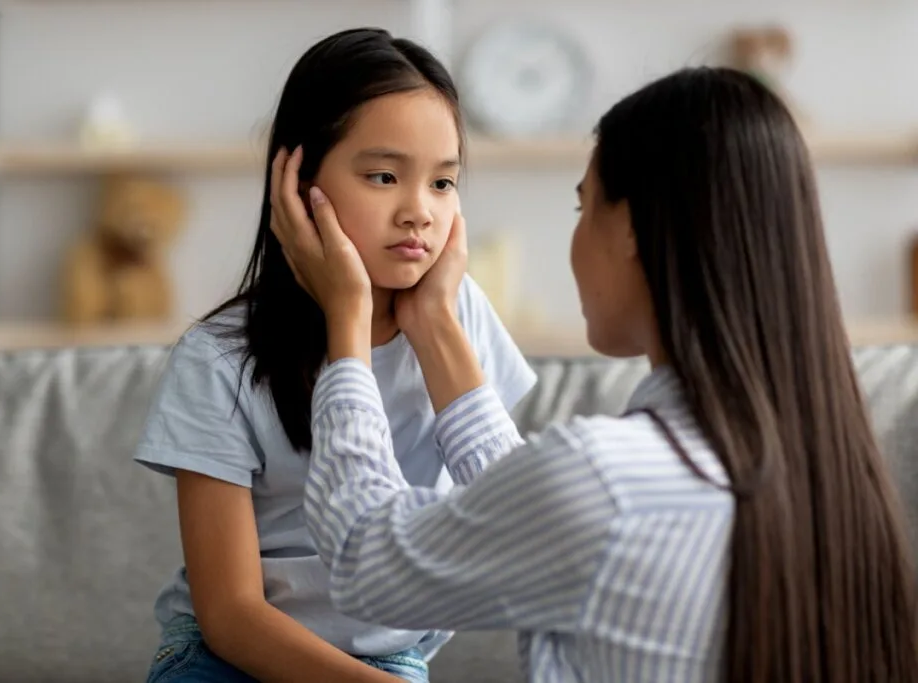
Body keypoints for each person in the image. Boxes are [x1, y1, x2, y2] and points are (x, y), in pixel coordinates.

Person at [273, 66, 918, 682]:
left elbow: (366, 560)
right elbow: (540, 516)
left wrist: (347, 325)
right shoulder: (829, 473)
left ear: (632, 226)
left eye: (584, 209)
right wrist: (437, 323)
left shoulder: (603, 478)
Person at [133, 27, 537, 683]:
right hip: (229, 657)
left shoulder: (463, 322)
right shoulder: (217, 358)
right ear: (297, 180)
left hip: (388, 658)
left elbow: (523, 523)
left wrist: (434, 321)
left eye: (443, 182)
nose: (419, 212)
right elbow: (231, 614)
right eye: (384, 176)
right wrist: (346, 312)